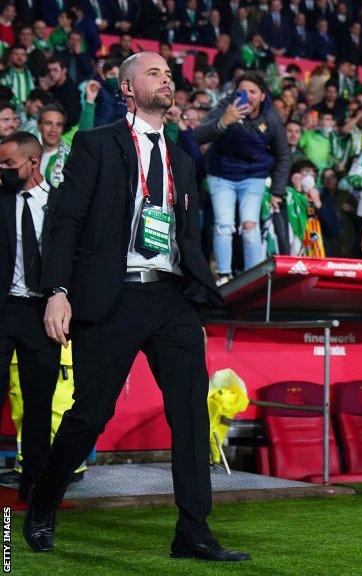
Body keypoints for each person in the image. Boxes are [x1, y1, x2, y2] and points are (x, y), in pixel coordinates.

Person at [24, 52, 248, 562]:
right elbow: (66, 222)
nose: (167, 78)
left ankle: (192, 531)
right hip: (112, 294)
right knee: (90, 414)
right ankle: (43, 498)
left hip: (170, 296)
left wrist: (199, 295)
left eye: (170, 73)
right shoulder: (95, 144)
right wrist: (57, 290)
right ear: (126, 88)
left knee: (191, 413)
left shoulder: (183, 158)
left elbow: (186, 235)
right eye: (154, 72)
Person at [0, 132, 61, 501]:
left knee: (39, 402)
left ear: (33, 163)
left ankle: (33, 485)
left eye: (9, 163)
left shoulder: (59, 205)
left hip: (42, 315)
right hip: (3, 310)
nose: (3, 170)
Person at [194, 71, 290, 283]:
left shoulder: (271, 116)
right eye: (242, 91)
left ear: (263, 96)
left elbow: (284, 155)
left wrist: (277, 192)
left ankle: (252, 277)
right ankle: (224, 275)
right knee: (224, 224)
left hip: (253, 177)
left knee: (250, 226)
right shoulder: (226, 105)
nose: (247, 95)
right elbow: (198, 135)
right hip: (221, 175)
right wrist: (223, 121)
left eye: (253, 92)